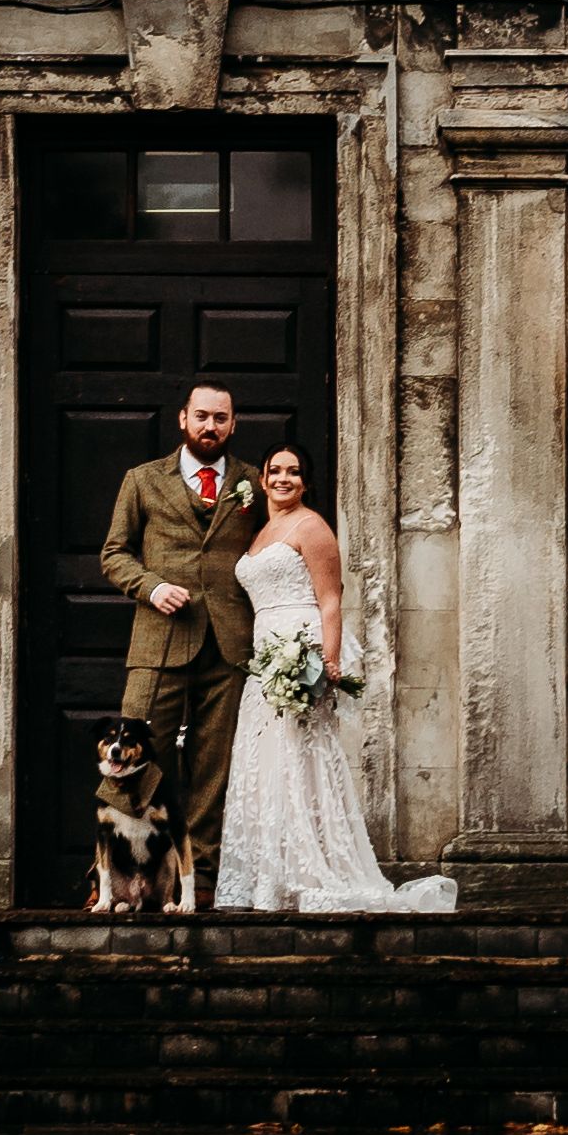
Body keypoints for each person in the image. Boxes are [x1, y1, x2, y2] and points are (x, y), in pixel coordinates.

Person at [212, 445, 458, 915]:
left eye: (295, 472)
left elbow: (330, 599)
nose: (284, 478)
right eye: (276, 471)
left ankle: (311, 872)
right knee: (265, 762)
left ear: (306, 482)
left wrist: (326, 660)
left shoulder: (312, 526)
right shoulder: (261, 531)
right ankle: (269, 880)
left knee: (301, 762)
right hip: (265, 656)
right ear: (262, 479)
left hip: (299, 650)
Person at [92, 382, 260, 908]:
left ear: (233, 425)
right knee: (129, 763)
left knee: (214, 766)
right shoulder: (142, 481)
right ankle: (111, 877)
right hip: (158, 642)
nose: (212, 426)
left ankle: (199, 878)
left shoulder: (252, 482)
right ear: (184, 419)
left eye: (222, 419)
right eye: (203, 416)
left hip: (229, 643)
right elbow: (114, 553)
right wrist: (152, 586)